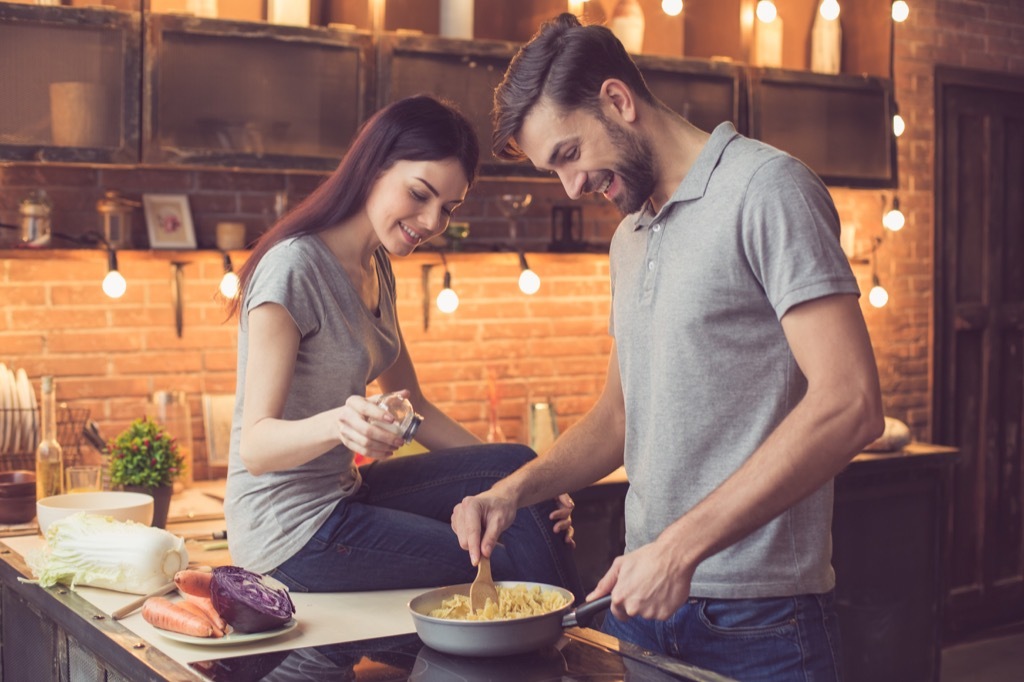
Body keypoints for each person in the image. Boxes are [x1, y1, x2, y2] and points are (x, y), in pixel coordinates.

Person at [450, 13, 884, 681]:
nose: (572, 187)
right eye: (552, 170)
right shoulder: (631, 236)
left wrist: (678, 550)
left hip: (760, 622)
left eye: (569, 154)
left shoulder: (767, 190)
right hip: (643, 606)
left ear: (618, 101)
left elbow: (851, 402)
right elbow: (618, 420)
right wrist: (512, 491)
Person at [223, 95, 580, 596]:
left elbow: (417, 407)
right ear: (373, 168)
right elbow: (255, 448)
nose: (433, 221)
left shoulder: (377, 267)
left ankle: (570, 637)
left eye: (447, 208)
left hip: (345, 496)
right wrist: (340, 423)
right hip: (290, 533)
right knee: (499, 561)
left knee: (513, 463)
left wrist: (531, 486)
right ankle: (568, 645)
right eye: (419, 193)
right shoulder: (294, 267)